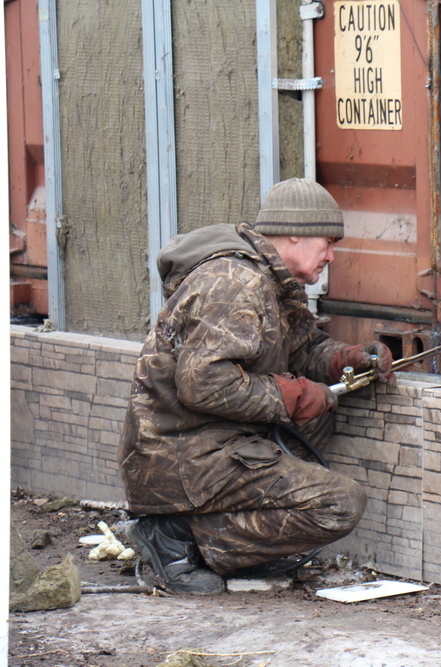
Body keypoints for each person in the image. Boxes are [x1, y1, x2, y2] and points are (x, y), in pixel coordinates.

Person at [119, 178, 394, 594]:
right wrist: (290, 395)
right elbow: (203, 383)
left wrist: (343, 359)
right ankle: (174, 536)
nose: (331, 256)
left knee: (318, 418)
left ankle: (195, 535)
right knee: (339, 504)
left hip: (211, 442)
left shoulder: (269, 280)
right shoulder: (236, 283)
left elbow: (298, 348)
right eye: (328, 243)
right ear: (295, 234)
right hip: (180, 454)